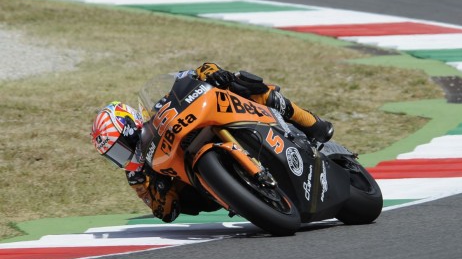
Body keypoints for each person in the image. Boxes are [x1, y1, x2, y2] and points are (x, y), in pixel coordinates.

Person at [90, 63, 334, 223]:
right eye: (114, 157)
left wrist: (211, 73)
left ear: (131, 126)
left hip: (210, 120)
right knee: (188, 202)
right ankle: (245, 193)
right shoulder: (137, 176)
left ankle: (311, 122)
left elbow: (191, 75)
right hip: (199, 183)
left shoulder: (158, 110)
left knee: (244, 84)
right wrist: (160, 189)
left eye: (120, 148)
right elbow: (165, 212)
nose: (122, 159)